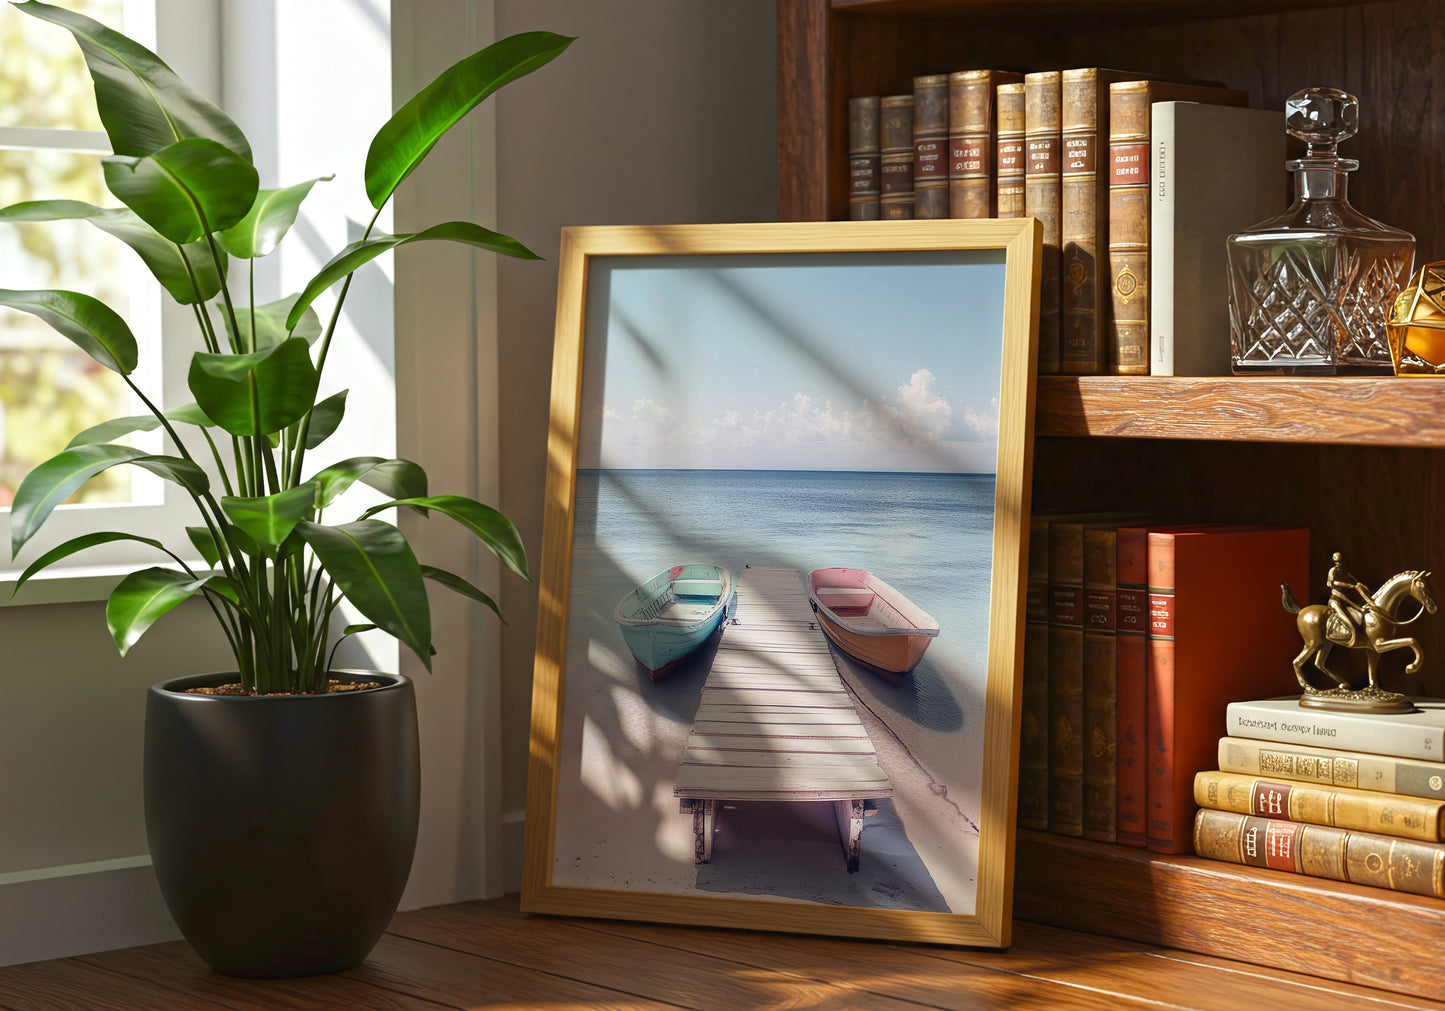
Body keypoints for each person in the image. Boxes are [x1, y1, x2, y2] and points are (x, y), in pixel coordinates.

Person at [1324, 551, 1377, 646]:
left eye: (1340, 562)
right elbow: (1330, 583)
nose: (1339, 565)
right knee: (1346, 620)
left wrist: (1359, 585)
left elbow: (1354, 581)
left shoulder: (1345, 572)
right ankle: (1350, 639)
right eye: (1337, 562)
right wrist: (1350, 586)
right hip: (1336, 601)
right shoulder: (1333, 571)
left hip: (1346, 601)